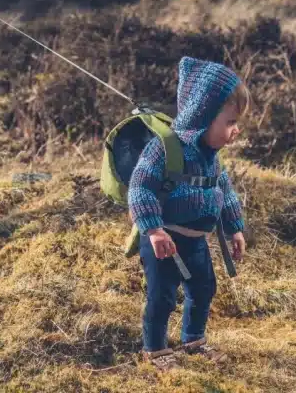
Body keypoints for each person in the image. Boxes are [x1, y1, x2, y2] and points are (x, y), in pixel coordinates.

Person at [128, 56, 249, 370]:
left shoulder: (211, 157)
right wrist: (153, 230)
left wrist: (234, 227)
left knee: (204, 289)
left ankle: (193, 341)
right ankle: (154, 349)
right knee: (163, 296)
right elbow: (140, 187)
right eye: (230, 122)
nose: (235, 131)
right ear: (203, 116)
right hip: (164, 241)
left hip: (196, 243)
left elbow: (223, 188)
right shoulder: (165, 149)